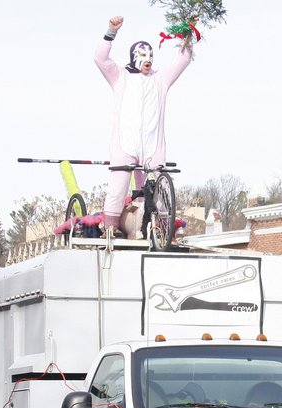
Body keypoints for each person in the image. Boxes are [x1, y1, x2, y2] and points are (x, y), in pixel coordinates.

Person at [95, 14, 192, 239]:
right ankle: (109, 228)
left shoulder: (160, 80)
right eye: (142, 55)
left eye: (150, 55)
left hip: (152, 145)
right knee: (118, 186)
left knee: (155, 190)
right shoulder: (120, 77)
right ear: (133, 57)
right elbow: (100, 58)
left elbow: (183, 60)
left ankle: (151, 226)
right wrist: (111, 32)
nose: (147, 59)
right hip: (124, 143)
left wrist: (188, 35)